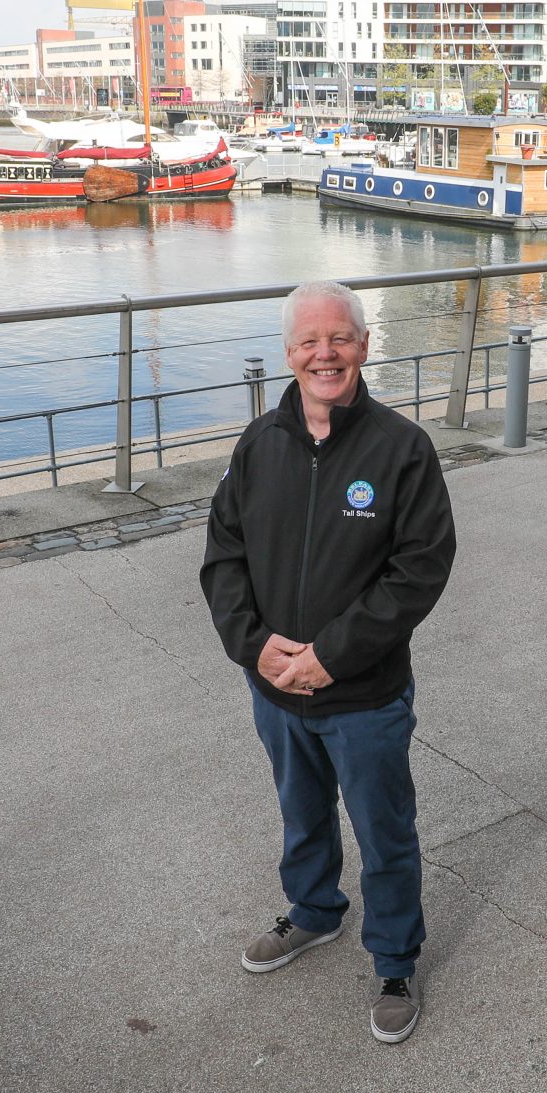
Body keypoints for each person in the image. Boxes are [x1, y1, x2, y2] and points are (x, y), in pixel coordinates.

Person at [201, 280, 457, 1045]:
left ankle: (394, 960)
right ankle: (312, 913)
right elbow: (223, 559)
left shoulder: (401, 449)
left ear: (364, 346)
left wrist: (332, 657)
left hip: (365, 694)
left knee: (386, 832)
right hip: (276, 689)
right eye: (310, 342)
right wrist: (254, 645)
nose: (326, 353)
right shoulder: (258, 446)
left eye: (339, 338)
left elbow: (422, 567)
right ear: (289, 355)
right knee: (301, 812)